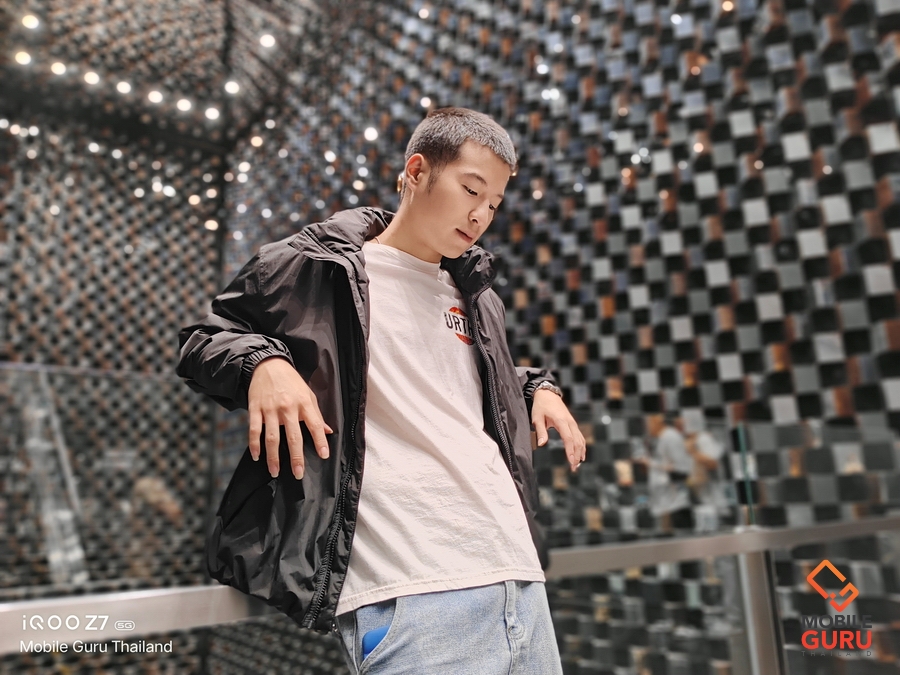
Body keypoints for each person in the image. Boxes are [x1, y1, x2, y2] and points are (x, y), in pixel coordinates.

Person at [176, 107, 587, 674]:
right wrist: (263, 363)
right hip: (412, 593)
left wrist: (535, 386)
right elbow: (204, 340)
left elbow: (456, 388)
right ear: (417, 171)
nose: (480, 215)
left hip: (518, 577)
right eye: (471, 190)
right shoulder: (322, 266)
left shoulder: (476, 294)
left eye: (494, 203)